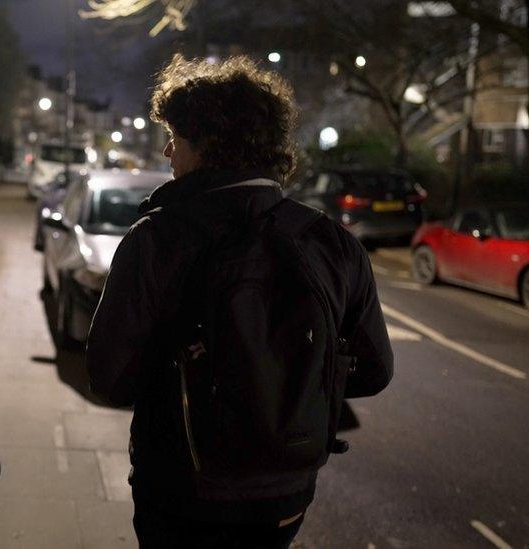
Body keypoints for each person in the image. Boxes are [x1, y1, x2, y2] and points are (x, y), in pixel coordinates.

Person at [86, 54, 393, 548]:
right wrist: (285, 386)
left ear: (207, 145)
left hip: (182, 490)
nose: (167, 152)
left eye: (176, 138)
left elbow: (109, 377)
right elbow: (374, 371)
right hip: (285, 492)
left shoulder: (156, 239)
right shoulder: (332, 244)